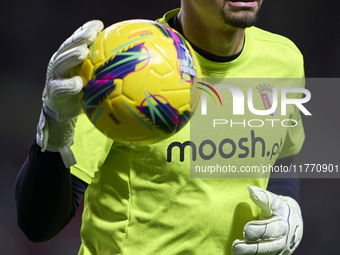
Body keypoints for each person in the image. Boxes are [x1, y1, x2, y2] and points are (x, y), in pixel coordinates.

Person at [15, 0, 305, 254]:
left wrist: (288, 202)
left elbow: (281, 153)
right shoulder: (119, 64)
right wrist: (55, 128)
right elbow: (38, 226)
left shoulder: (285, 60)